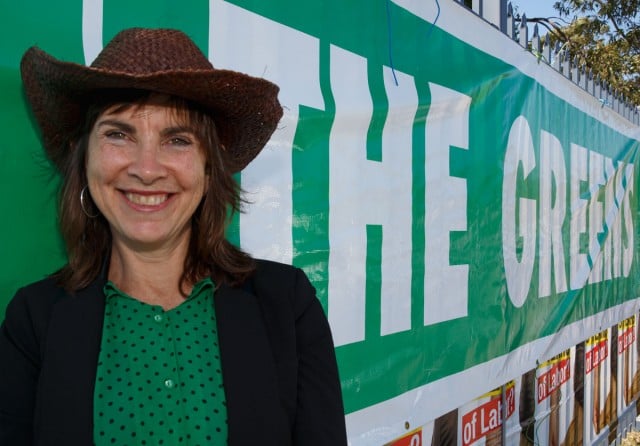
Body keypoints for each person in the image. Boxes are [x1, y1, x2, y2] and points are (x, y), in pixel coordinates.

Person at [0, 27, 347, 445]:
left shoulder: (288, 306)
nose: (147, 169)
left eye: (178, 139)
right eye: (118, 133)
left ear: (208, 167)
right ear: (83, 155)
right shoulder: (33, 321)